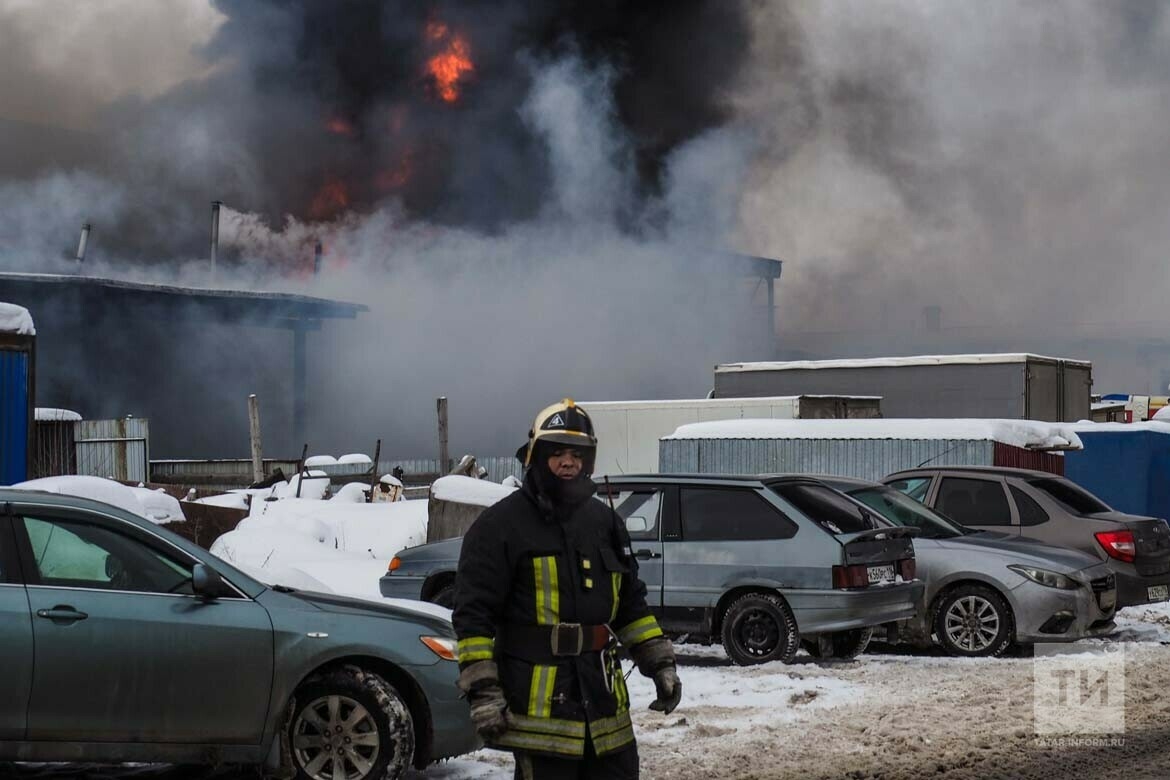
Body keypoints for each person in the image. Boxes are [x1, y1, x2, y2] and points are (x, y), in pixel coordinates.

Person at [453, 399, 681, 780]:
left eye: (577, 454)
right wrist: (484, 693)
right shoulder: (499, 526)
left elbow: (630, 604)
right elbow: (473, 618)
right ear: (535, 456)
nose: (567, 462)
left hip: (605, 709)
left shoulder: (604, 521)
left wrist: (659, 663)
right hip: (540, 713)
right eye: (556, 452)